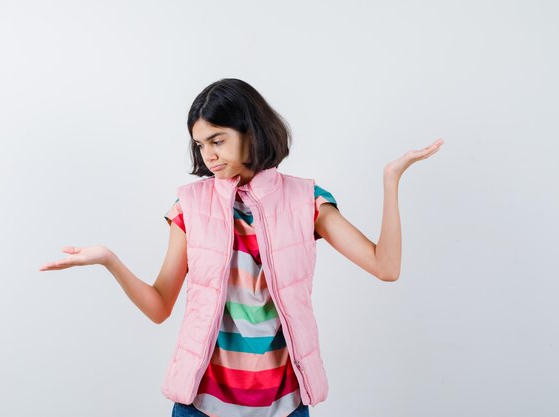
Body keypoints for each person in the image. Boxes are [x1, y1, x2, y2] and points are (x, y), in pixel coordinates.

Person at [39, 78, 444, 417]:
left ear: (250, 131)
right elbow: (160, 305)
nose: (208, 155)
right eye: (200, 145)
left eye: (217, 140)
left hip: (283, 405)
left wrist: (391, 181)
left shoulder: (306, 201)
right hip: (201, 405)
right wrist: (109, 260)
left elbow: (385, 266)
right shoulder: (190, 207)